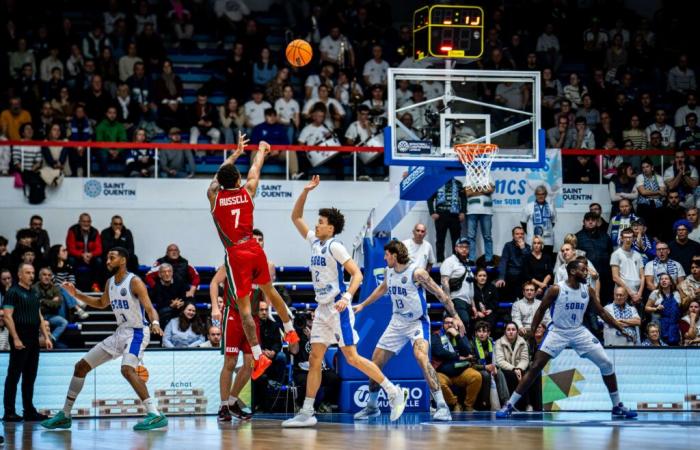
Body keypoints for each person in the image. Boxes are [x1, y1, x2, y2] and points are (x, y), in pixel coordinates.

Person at [283, 177, 409, 427]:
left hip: (338, 308)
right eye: (317, 222)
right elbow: (295, 217)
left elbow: (357, 275)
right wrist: (306, 191)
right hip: (322, 309)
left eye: (320, 223)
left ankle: (394, 392)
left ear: (331, 228)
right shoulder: (314, 242)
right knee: (315, 358)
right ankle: (308, 412)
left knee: (351, 358)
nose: (316, 226)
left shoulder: (335, 246)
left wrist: (347, 297)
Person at [41, 247, 167, 430]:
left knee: (127, 369)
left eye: (112, 257)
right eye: (107, 258)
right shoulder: (110, 282)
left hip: (138, 331)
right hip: (121, 332)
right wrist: (76, 294)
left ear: (123, 260)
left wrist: (155, 322)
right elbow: (101, 303)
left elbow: (149, 307)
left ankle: (154, 413)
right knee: (81, 366)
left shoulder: (135, 281)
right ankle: (65, 415)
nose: (107, 261)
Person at [496, 259, 638, 419]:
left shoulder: (588, 290)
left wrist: (620, 327)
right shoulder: (556, 289)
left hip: (578, 331)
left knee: (606, 363)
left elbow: (602, 313)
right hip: (558, 331)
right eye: (583, 270)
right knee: (535, 367)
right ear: (572, 272)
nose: (587, 272)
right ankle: (509, 405)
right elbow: (541, 310)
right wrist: (533, 331)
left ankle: (617, 405)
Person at [207, 133, 299, 381]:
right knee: (270, 292)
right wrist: (260, 149)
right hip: (254, 247)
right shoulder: (248, 191)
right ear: (238, 178)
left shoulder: (214, 197)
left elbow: (216, 180)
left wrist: (235, 154)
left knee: (245, 310)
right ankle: (290, 331)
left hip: (236, 253)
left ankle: (258, 356)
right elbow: (256, 168)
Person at [352, 239, 465, 422]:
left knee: (421, 357)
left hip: (417, 323)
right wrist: (363, 305)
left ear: (395, 256)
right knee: (375, 361)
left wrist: (456, 316)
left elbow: (440, 293)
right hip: (397, 322)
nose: (384, 258)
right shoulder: (389, 271)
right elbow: (382, 289)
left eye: (387, 255)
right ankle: (372, 406)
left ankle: (442, 406)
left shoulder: (417, 272)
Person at [209, 265, 260, 421]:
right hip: (233, 315)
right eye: (254, 239)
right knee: (230, 362)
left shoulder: (263, 265)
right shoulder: (230, 263)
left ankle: (232, 402)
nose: (256, 242)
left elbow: (268, 291)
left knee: (250, 363)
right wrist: (215, 308)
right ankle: (223, 406)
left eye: (259, 240)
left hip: (253, 317)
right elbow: (214, 283)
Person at [2, 263, 52, 422]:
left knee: (30, 376)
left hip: (34, 339)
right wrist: (15, 337)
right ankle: (9, 412)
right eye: (28, 272)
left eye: (32, 272)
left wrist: (47, 337)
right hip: (20, 337)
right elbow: (7, 316)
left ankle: (29, 410)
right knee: (14, 376)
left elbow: (40, 317)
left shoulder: (34, 294)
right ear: (20, 275)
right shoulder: (13, 292)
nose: (31, 275)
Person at [431, 315, 482, 412]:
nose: (449, 325)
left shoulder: (459, 336)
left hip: (459, 371)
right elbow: (439, 352)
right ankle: (455, 404)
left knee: (476, 376)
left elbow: (467, 352)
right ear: (442, 324)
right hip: (443, 372)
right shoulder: (436, 336)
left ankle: (468, 406)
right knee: (438, 381)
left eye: (452, 323)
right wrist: (457, 356)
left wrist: (457, 336)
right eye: (447, 323)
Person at [440, 238, 477, 330]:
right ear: (456, 248)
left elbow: (470, 286)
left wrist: (473, 306)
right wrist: (449, 301)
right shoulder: (450, 261)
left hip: (467, 302)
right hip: (456, 300)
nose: (464, 249)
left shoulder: (466, 263)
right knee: (462, 324)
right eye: (461, 247)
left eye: (466, 247)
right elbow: (444, 282)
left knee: (467, 327)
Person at [428, 179, 466, 262]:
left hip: (455, 215)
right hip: (441, 215)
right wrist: (432, 212)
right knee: (440, 239)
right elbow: (430, 197)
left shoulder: (458, 183)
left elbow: (463, 198)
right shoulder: (436, 182)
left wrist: (463, 212)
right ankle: (440, 260)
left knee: (456, 240)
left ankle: (456, 260)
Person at [495, 322, 530, 410]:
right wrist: (514, 369)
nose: (511, 332)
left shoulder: (522, 342)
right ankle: (512, 404)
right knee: (511, 375)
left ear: (517, 332)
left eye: (513, 330)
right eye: (508, 330)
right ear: (505, 332)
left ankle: (526, 405)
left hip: (519, 368)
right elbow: (500, 361)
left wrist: (518, 368)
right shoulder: (499, 342)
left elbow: (525, 359)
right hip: (506, 369)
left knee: (526, 375)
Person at [65, 213, 103, 292]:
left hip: (90, 257)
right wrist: (82, 255)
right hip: (77, 257)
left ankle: (95, 285)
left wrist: (91, 254)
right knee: (70, 259)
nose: (86, 223)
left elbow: (99, 249)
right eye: (84, 221)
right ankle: (72, 285)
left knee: (99, 260)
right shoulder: (73, 230)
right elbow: (70, 248)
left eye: (88, 221)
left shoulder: (95, 232)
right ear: (79, 222)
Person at [611, 228, 645, 308]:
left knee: (637, 319)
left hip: (637, 293)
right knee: (621, 318)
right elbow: (615, 277)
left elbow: (642, 276)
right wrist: (630, 293)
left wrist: (639, 293)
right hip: (623, 293)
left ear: (634, 238)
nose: (628, 239)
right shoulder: (616, 254)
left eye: (630, 237)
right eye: (626, 237)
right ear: (621, 239)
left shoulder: (638, 255)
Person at [496, 227, 532, 302]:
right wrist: (501, 277)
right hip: (510, 275)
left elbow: (529, 263)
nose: (520, 236)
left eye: (522, 234)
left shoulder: (527, 247)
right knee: (502, 283)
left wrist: (523, 249)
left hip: (523, 275)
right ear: (513, 235)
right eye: (517, 234)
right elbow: (503, 262)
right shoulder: (508, 246)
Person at [645, 273, 682, 345]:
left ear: (671, 282)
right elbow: (646, 308)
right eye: (661, 279)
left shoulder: (676, 294)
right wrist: (656, 309)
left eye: (666, 279)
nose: (663, 281)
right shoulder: (655, 293)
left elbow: (678, 309)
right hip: (659, 324)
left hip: (673, 325)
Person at [34, 267, 67, 344]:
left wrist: (43, 300)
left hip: (51, 315)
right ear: (39, 277)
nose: (47, 277)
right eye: (44, 275)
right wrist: (51, 302)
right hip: (38, 316)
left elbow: (58, 304)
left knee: (64, 322)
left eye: (49, 275)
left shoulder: (55, 288)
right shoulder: (34, 288)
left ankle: (52, 339)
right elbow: (36, 305)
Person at [465, 179, 495, 264]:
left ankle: (489, 259)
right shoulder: (470, 176)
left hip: (486, 211)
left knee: (487, 236)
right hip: (471, 210)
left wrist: (475, 189)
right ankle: (471, 259)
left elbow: (490, 190)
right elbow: (468, 193)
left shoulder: (488, 175)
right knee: (471, 237)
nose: (477, 167)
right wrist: (483, 190)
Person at [150, 263, 188, 327]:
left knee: (188, 309)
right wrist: (171, 304)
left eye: (169, 271)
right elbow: (160, 303)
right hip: (165, 309)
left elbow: (183, 296)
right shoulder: (156, 286)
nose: (167, 274)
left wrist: (179, 303)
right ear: (159, 275)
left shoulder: (179, 281)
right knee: (165, 311)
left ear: (172, 273)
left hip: (179, 306)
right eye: (164, 272)